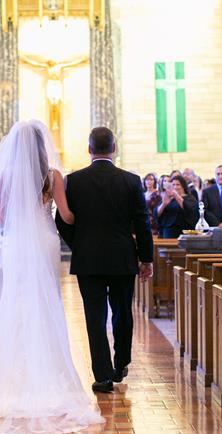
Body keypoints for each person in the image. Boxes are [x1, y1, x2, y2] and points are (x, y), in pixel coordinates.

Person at [0, 120, 105, 434]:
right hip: (45, 239)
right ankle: (47, 372)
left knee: (18, 303)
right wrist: (84, 217)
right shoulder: (53, 176)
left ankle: (16, 377)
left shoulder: (7, 175)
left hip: (18, 243)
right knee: (45, 301)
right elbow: (66, 215)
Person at [56, 126, 154, 394]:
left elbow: (61, 221)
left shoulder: (73, 181)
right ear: (115, 148)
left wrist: (80, 244)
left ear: (89, 150)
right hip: (122, 257)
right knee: (122, 312)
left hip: (88, 260)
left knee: (95, 316)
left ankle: (102, 376)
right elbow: (143, 223)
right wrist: (146, 258)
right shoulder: (132, 181)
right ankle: (121, 361)